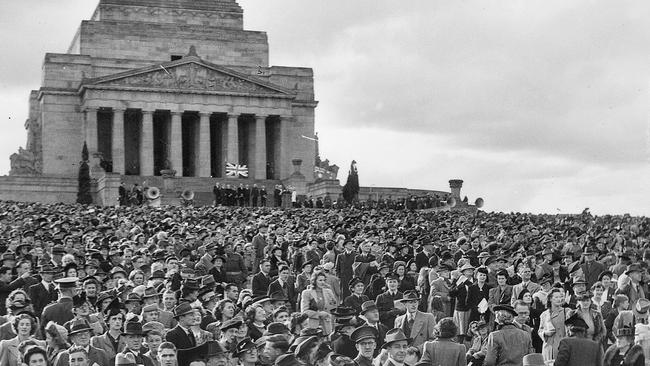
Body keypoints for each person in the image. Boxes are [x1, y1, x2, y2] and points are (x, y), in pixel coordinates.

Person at [539, 288, 568, 363]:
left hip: (562, 346)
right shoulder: (544, 314)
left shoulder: (566, 311)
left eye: (560, 297)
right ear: (550, 299)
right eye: (556, 297)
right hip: (548, 347)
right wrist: (545, 333)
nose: (559, 299)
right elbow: (540, 330)